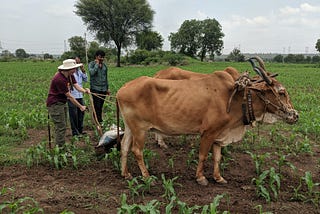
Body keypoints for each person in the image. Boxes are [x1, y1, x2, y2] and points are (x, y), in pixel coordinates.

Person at [46, 59, 90, 147]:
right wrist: (81, 106)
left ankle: (60, 146)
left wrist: (85, 91)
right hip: (55, 104)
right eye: (74, 68)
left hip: (61, 103)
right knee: (61, 127)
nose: (75, 70)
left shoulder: (70, 75)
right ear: (69, 69)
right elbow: (70, 96)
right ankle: (60, 150)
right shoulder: (59, 79)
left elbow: (76, 86)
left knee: (62, 125)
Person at [67, 57, 88, 136]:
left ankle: (80, 130)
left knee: (81, 113)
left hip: (80, 95)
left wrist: (83, 70)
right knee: (74, 115)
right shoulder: (70, 74)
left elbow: (86, 80)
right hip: (72, 96)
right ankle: (75, 132)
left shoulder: (79, 72)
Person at [89, 50, 110, 123]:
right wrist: (97, 65)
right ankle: (97, 121)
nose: (102, 59)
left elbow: (106, 77)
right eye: (100, 57)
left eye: (103, 57)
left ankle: (99, 120)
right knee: (96, 106)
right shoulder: (91, 64)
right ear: (96, 57)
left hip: (103, 89)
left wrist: (107, 88)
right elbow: (92, 73)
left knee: (100, 106)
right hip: (95, 88)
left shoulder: (104, 66)